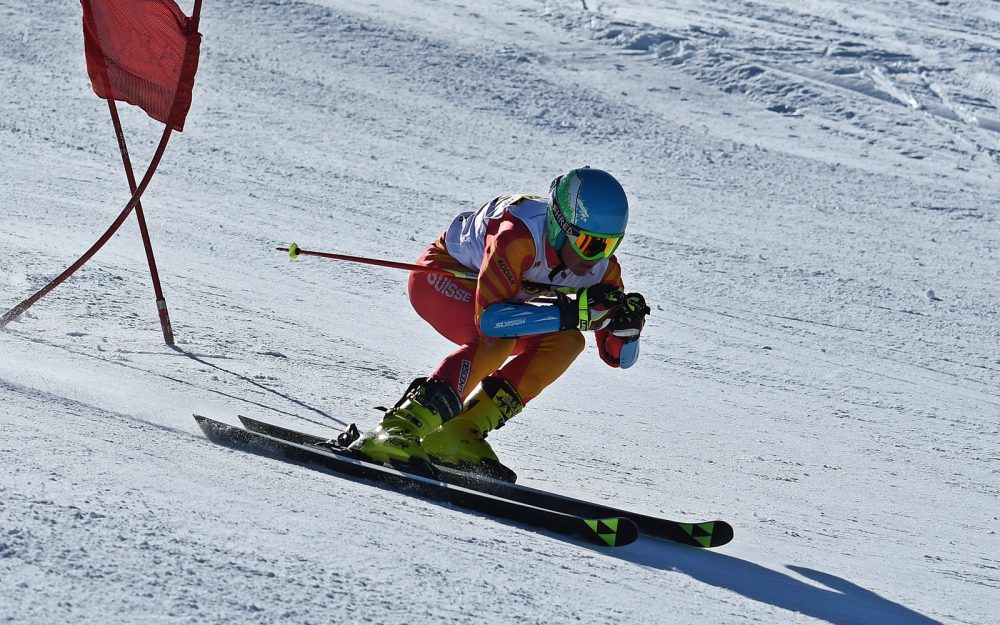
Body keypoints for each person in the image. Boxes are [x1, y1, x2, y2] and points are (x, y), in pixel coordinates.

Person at [350, 167, 650, 481]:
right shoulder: (518, 234)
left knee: (568, 342)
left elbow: (618, 359)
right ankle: (397, 427)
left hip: (501, 307)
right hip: (440, 279)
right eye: (590, 244)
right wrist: (572, 313)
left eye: (610, 245)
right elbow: (491, 321)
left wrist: (626, 329)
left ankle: (459, 432)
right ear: (561, 226)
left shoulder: (601, 268)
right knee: (498, 339)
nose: (596, 258)